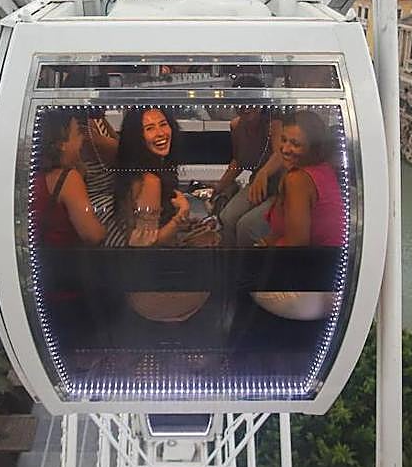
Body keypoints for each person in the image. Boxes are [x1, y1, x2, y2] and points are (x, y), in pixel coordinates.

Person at [107, 107, 207, 322]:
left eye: (163, 124)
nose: (161, 133)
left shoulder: (138, 172)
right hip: (151, 293)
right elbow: (145, 245)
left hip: (144, 282)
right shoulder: (150, 181)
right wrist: (182, 214)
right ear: (137, 138)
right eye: (150, 128)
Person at [253, 110, 347, 320]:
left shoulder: (297, 180)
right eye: (284, 140)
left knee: (238, 276)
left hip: (307, 292)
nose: (285, 149)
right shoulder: (323, 170)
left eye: (295, 144)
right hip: (330, 285)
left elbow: (296, 245)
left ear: (311, 147)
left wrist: (258, 255)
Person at [215, 82, 284, 245]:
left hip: (280, 188)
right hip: (257, 185)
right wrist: (218, 187)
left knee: (246, 226)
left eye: (251, 101)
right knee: (227, 217)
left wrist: (263, 173)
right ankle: (231, 262)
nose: (245, 106)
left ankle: (249, 266)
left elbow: (280, 154)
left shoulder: (274, 124)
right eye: (239, 101)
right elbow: (238, 161)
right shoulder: (236, 125)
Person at [32, 112, 106, 246]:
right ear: (62, 144)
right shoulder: (68, 178)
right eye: (78, 133)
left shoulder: (37, 175)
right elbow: (93, 235)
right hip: (65, 261)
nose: (82, 139)